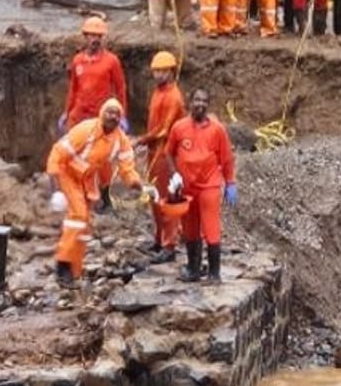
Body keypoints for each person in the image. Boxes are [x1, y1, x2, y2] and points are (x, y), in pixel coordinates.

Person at [48, 99, 157, 288]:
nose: (113, 117)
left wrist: (142, 187)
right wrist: (55, 189)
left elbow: (127, 170)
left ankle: (74, 271)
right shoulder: (86, 130)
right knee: (77, 217)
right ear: (102, 113)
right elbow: (57, 154)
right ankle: (63, 266)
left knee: (84, 225)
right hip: (68, 175)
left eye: (117, 114)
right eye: (109, 112)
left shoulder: (120, 140)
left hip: (87, 180)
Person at [164, 88, 237, 284]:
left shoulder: (217, 129)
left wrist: (230, 182)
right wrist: (174, 174)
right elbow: (168, 153)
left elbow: (227, 158)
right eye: (197, 100)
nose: (200, 104)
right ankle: (193, 268)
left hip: (209, 186)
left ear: (208, 105)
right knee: (190, 229)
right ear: (190, 102)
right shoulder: (179, 127)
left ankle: (214, 273)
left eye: (204, 101)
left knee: (211, 227)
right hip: (187, 188)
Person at [61, 16, 129, 212]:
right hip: (79, 115)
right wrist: (66, 112)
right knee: (75, 154)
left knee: (103, 158)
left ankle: (105, 197)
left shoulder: (111, 61)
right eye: (92, 35)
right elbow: (73, 89)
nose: (95, 39)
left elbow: (120, 88)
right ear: (85, 36)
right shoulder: (78, 61)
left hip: (101, 118)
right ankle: (78, 193)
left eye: (99, 36)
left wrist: (122, 115)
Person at [136, 51, 186, 263]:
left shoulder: (174, 97)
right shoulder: (158, 92)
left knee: (167, 198)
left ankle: (169, 245)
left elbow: (164, 130)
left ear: (171, 71)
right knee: (155, 197)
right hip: (154, 152)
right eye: (156, 71)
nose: (158, 75)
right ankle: (159, 239)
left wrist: (141, 140)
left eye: (163, 71)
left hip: (167, 154)